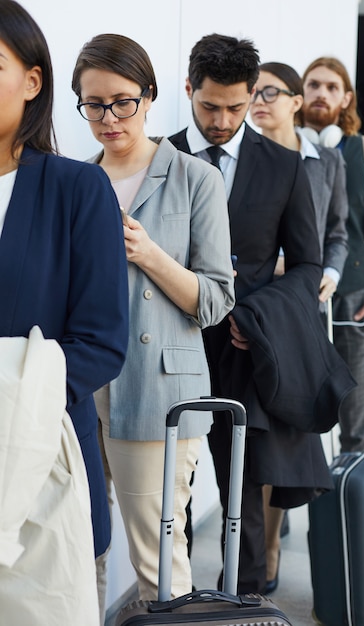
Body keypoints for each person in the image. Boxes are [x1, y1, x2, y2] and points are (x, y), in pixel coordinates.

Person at [169, 34, 349, 595]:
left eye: (235, 106)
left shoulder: (287, 167)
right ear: (188, 90)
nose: (222, 120)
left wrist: (258, 316)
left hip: (244, 347)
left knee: (241, 484)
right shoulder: (160, 156)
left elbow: (306, 266)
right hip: (170, 345)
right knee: (171, 484)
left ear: (253, 97)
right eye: (209, 106)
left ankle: (240, 597)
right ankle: (173, 593)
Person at [71, 33, 235, 615]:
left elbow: (215, 301)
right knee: (75, 548)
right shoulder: (76, 181)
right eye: (93, 104)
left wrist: (150, 255)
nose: (109, 117)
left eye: (123, 101)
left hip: (160, 389)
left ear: (149, 95)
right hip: (78, 391)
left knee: (159, 559)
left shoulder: (196, 179)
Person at [0, 1, 129, 623]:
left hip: (44, 463)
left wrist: (12, 389)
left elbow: (102, 341)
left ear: (32, 81)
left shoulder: (75, 189)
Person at [249, 61, 349, 593]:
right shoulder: (242, 160)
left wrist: (326, 272)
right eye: (254, 92)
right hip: (255, 305)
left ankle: (268, 547)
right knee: (260, 432)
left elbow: (337, 232)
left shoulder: (326, 161)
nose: (259, 100)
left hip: (301, 310)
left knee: (287, 431)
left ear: (293, 102)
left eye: (270, 92)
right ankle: (259, 549)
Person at [301, 57, 364, 453]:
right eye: (313, 85)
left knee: (354, 417)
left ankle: (349, 509)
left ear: (346, 98)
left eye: (330, 87)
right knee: (293, 416)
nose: (321, 93)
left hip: (356, 299)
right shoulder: (281, 149)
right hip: (295, 293)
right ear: (300, 95)